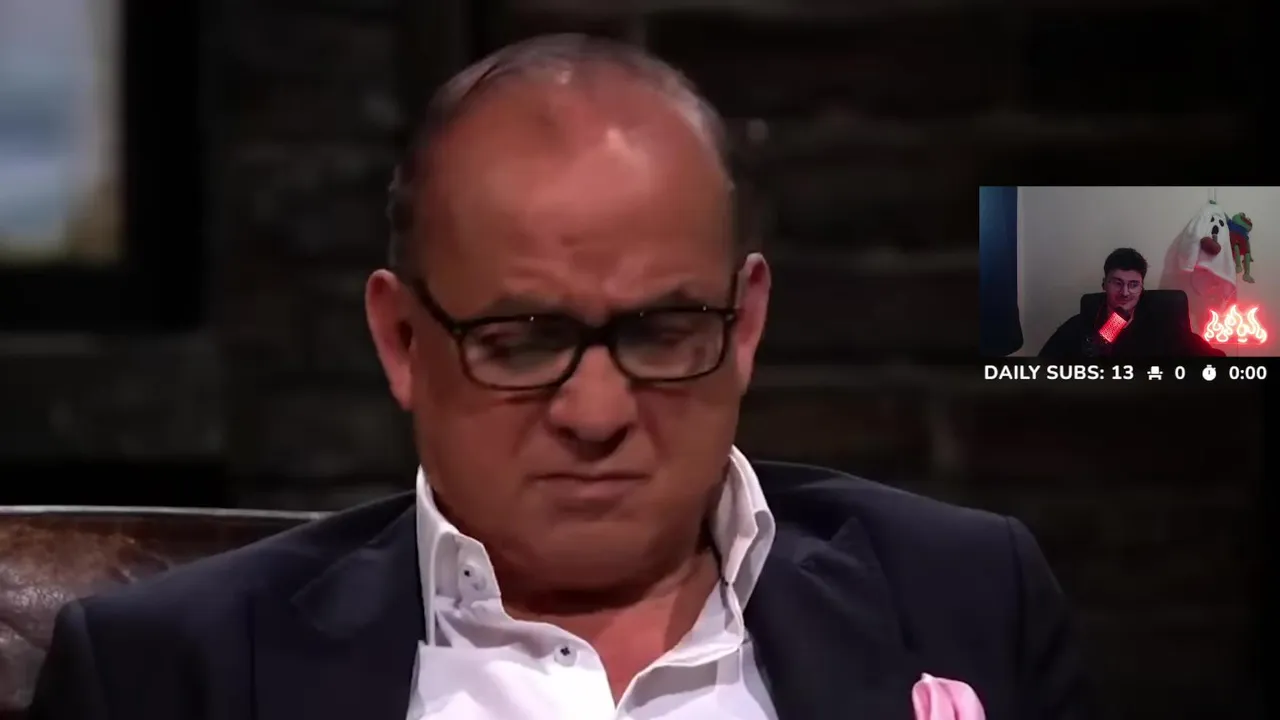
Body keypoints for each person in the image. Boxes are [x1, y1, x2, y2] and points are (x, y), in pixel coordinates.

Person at [30, 35, 1093, 720]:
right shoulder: (167, 676)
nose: (596, 412)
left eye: (664, 330)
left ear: (747, 324)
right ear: (401, 341)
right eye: (524, 342)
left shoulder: (964, 599)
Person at [1039, 247, 1224, 359]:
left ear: (1142, 288)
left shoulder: (1162, 323)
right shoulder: (1082, 324)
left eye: (1133, 284)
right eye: (1117, 283)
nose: (1125, 292)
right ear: (1104, 284)